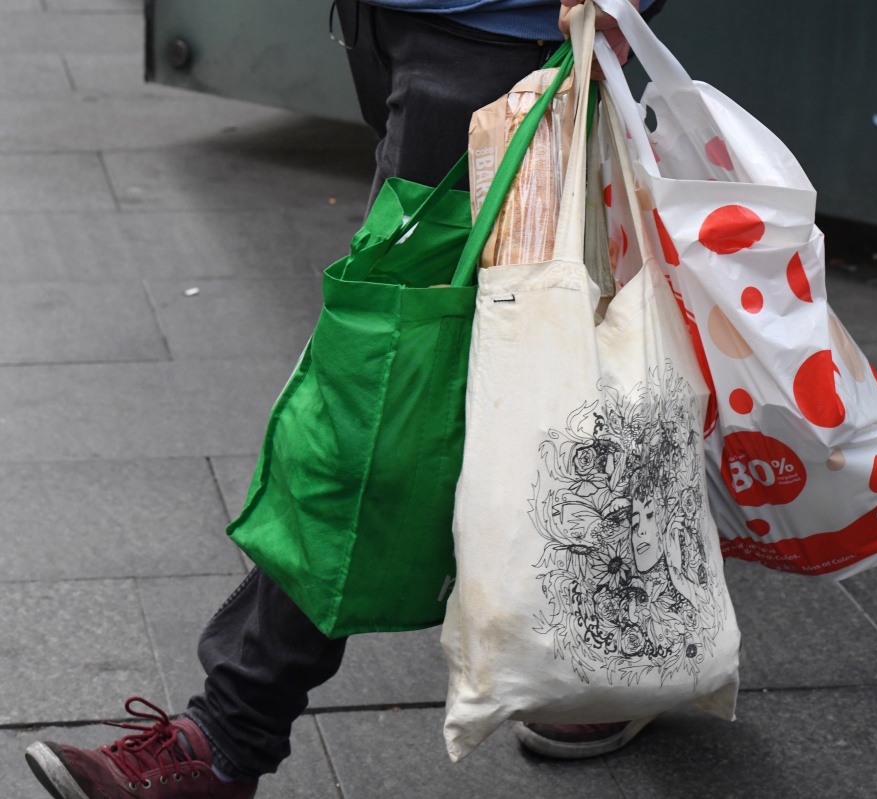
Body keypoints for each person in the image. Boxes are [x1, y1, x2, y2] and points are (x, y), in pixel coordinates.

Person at [22, 1, 668, 797]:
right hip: (394, 23)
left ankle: (224, 735)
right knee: (539, 348)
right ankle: (630, 646)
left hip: (497, 42)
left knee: (379, 397)